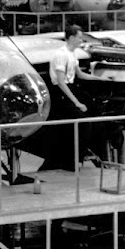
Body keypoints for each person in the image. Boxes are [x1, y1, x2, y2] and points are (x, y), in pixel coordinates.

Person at [50, 24, 113, 165]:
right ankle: (76, 159)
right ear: (71, 38)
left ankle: (96, 154)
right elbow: (61, 82)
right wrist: (76, 103)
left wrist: (100, 78)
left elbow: (80, 74)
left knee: (97, 115)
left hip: (71, 87)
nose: (81, 41)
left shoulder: (72, 54)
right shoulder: (60, 54)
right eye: (79, 38)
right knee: (83, 123)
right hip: (61, 92)